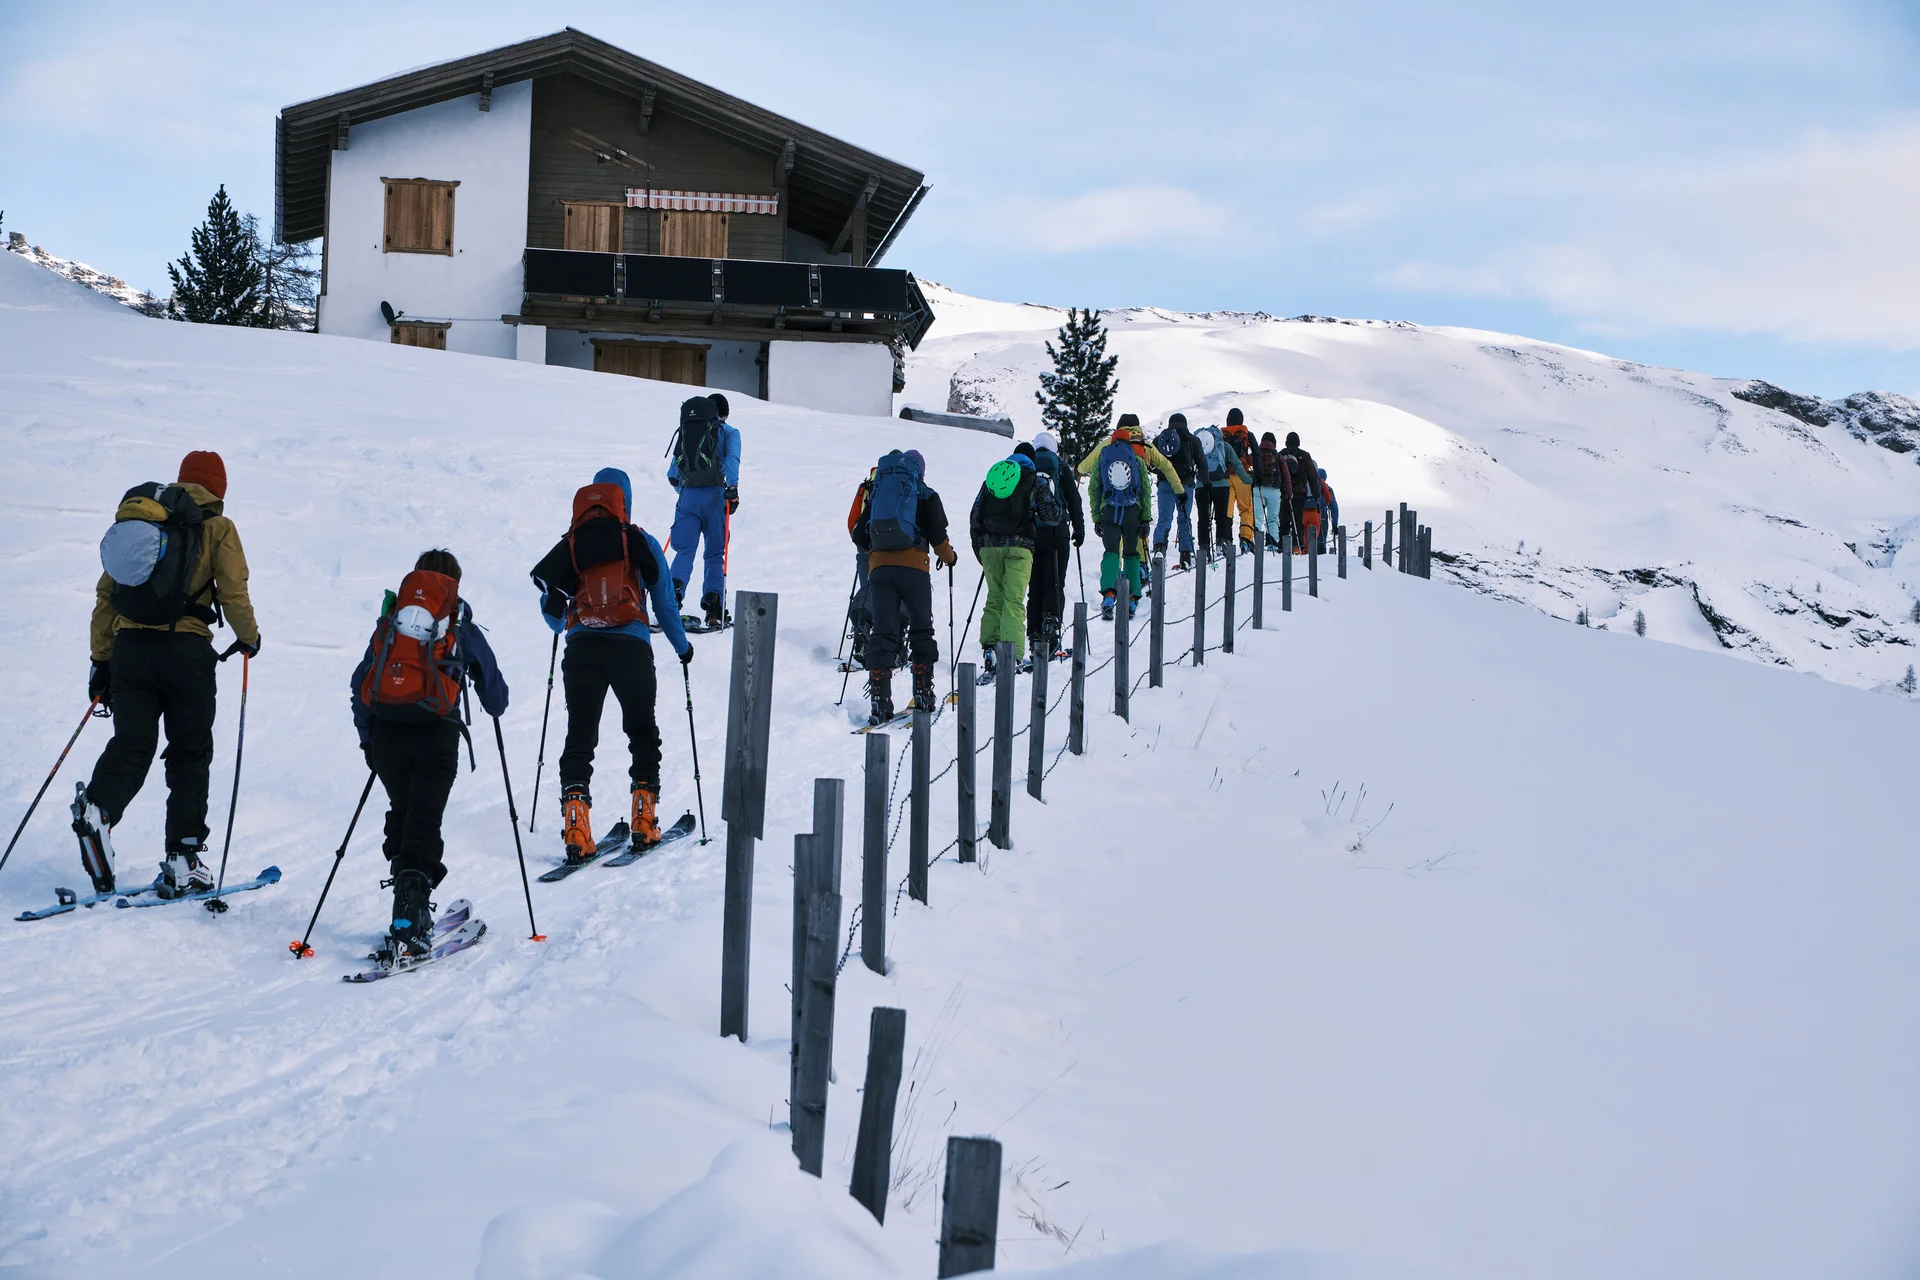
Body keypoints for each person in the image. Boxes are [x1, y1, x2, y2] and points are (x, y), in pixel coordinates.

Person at [72, 451, 261, 899]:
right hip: (186, 655)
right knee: (189, 753)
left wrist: (101, 661)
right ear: (220, 488)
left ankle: (99, 810)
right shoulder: (217, 527)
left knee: (132, 744)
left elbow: (106, 596)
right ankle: (184, 859)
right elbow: (233, 591)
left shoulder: (144, 525)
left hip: (130, 652)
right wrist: (249, 637)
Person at [350, 549, 507, 955]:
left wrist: (368, 740)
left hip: (387, 734)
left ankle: (406, 905)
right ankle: (410, 916)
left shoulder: (393, 623)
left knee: (404, 812)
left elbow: (360, 682)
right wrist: (492, 703)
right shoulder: (457, 623)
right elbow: (495, 693)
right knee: (424, 819)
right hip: (437, 735)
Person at [530, 468, 692, 862]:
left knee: (579, 737)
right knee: (642, 732)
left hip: (582, 650)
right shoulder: (640, 542)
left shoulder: (572, 544)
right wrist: (682, 647)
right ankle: (644, 820)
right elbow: (665, 604)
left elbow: (552, 616)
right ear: (625, 501)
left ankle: (576, 827)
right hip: (631, 649)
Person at [856, 449, 956, 722]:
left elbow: (859, 535)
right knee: (921, 627)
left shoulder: (878, 493)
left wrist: (877, 553)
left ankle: (880, 700)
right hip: (914, 570)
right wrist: (950, 558)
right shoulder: (925, 494)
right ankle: (922, 692)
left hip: (880, 570)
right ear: (920, 471)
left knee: (883, 631)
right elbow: (939, 538)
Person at [666, 394, 741, 630]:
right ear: (725, 413)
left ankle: (670, 603)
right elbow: (732, 459)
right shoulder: (730, 432)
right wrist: (732, 489)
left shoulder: (689, 429)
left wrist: (686, 491)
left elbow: (673, 473)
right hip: (715, 498)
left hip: (688, 497)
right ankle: (714, 610)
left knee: (684, 551)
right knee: (714, 555)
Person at [969, 446, 1038, 678]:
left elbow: (975, 515)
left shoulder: (994, 477)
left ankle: (990, 648)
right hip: (1020, 547)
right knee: (1014, 600)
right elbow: (1051, 514)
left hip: (990, 547)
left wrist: (980, 548)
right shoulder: (1033, 480)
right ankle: (1012, 656)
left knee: (995, 596)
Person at [1026, 430, 1084, 663]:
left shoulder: (1028, 467)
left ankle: (1034, 637)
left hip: (1032, 535)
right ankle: (1051, 631)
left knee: (1035, 587)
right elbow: (1074, 501)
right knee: (1055, 583)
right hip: (1057, 533)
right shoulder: (1060, 467)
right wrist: (1079, 530)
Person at [1085, 426, 1150, 619]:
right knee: (1131, 553)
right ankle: (1131, 599)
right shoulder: (1137, 461)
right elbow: (1145, 491)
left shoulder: (1103, 459)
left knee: (1111, 552)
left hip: (1109, 511)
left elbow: (1093, 489)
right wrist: (1145, 518)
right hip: (1132, 512)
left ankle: (1108, 596)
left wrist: (1097, 517)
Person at [1151, 413, 1201, 571]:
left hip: (1165, 483)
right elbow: (1201, 463)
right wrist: (1205, 483)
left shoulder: (1160, 439)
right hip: (1186, 485)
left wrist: (1160, 473)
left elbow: (1150, 462)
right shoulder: (1192, 440)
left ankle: (1159, 548)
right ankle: (1185, 555)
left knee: (1164, 518)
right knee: (1184, 519)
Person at [1192, 423, 1248, 560]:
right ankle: (1221, 543)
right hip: (1222, 485)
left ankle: (1204, 546)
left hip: (1201, 484)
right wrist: (1247, 480)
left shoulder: (1198, 443)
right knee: (1221, 516)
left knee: (1203, 517)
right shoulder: (1223, 445)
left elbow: (1190, 462)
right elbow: (1236, 463)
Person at [1278, 431, 1321, 555]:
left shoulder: (1281, 454)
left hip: (1283, 493)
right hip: (1298, 494)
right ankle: (1298, 547)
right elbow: (1312, 476)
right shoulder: (1305, 456)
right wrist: (1316, 494)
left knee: (1284, 521)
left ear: (1286, 442)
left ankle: (1282, 548)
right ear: (1298, 442)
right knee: (1298, 522)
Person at [1222, 408, 1258, 554]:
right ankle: (1246, 539)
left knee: (1227, 510)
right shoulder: (1246, 434)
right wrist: (1257, 475)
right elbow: (1256, 454)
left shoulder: (1222, 435)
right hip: (1243, 476)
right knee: (1246, 509)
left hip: (1226, 477)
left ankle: (1226, 538)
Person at [1249, 431, 1288, 550]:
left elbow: (1247, 463)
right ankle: (1272, 544)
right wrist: (1289, 493)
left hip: (1258, 489)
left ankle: (1253, 541)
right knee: (1272, 519)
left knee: (1257, 517)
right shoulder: (1278, 456)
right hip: (1274, 491)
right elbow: (1286, 476)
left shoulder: (1255, 454)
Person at [1317, 468, 1339, 554]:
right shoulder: (1328, 489)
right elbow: (1334, 508)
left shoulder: (1309, 486)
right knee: (1321, 544)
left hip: (1307, 516)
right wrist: (1334, 524)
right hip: (1322, 518)